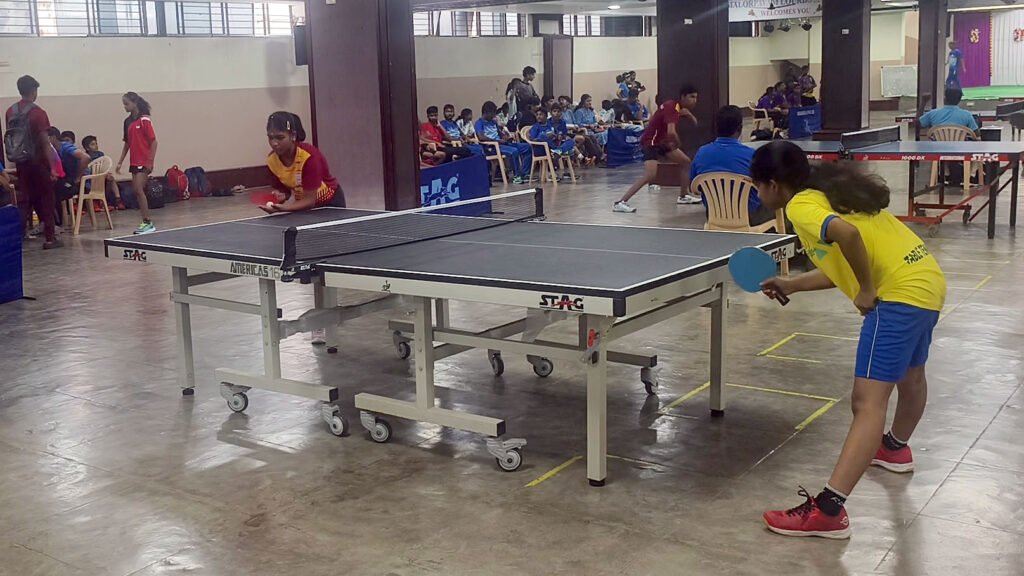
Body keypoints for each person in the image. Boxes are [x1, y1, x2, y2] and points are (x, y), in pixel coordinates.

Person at [752, 141, 946, 539]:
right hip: (925, 281)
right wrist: (792, 283)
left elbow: (849, 236)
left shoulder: (800, 206)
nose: (757, 194)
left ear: (772, 184)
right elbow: (843, 264)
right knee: (911, 377)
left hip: (896, 296)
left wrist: (868, 290)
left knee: (867, 403)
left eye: (756, 185)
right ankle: (894, 448)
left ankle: (828, 511)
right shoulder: (830, 192)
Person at [614, 84, 701, 213]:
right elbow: (671, 132)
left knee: (686, 162)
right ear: (683, 97)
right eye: (692, 97)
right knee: (650, 175)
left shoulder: (675, 106)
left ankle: (683, 196)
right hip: (651, 142)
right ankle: (620, 202)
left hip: (662, 141)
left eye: (696, 97)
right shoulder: (672, 107)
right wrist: (678, 143)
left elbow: (672, 116)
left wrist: (689, 116)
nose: (694, 100)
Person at [689, 106, 774, 226]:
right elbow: (766, 186)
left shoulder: (701, 153)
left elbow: (693, 187)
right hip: (750, 217)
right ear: (740, 128)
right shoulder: (753, 155)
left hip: (713, 215)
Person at [5, 75, 62, 249]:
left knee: (25, 200)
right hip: (38, 163)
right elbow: (45, 142)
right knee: (46, 198)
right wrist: (52, 167)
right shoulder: (39, 113)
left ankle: (17, 238)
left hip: (20, 162)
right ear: (34, 91)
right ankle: (50, 239)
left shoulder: (10, 111)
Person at [262, 111, 344, 214]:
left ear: (293, 136)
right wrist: (281, 195)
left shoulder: (309, 157)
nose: (274, 143)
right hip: (303, 206)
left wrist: (284, 208)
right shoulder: (272, 161)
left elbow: (309, 201)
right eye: (270, 137)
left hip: (330, 205)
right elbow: (285, 190)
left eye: (280, 137)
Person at [919, 87, 979, 187]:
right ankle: (970, 176)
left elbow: (918, 123)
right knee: (977, 147)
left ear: (945, 98)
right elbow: (977, 134)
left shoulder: (933, 113)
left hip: (939, 150)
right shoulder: (967, 115)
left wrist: (923, 103)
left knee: (942, 148)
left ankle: (946, 175)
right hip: (961, 150)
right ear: (959, 100)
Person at [116, 91, 157, 234]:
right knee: (137, 191)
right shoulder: (127, 122)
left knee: (139, 190)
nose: (125, 107)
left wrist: (150, 161)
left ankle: (148, 222)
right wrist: (120, 162)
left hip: (144, 160)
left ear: (134, 103)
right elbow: (127, 143)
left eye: (126, 104)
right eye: (123, 104)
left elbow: (153, 142)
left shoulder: (145, 120)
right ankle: (145, 221)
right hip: (134, 160)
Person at [476, 100, 531, 185]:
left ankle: (524, 173)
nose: (494, 115)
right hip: (492, 146)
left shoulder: (493, 122)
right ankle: (517, 176)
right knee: (514, 151)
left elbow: (499, 134)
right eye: (493, 113)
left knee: (527, 147)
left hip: (502, 144)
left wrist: (506, 137)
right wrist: (497, 141)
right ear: (486, 112)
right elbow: (481, 137)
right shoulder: (479, 123)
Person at [49, 127, 90, 226]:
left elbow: (86, 158)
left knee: (56, 193)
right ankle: (53, 223)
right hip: (68, 180)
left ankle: (57, 224)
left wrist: (78, 178)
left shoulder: (66, 147)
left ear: (53, 137)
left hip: (82, 183)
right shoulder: (53, 151)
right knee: (50, 190)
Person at [529, 107, 574, 181]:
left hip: (553, 145)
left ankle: (558, 151)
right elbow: (533, 140)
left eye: (541, 114)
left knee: (571, 141)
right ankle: (558, 151)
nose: (538, 116)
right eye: (537, 115)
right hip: (541, 148)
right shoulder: (535, 127)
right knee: (543, 135)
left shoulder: (550, 125)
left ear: (546, 116)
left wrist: (557, 136)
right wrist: (545, 136)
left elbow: (557, 135)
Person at [82, 135, 125, 209]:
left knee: (111, 178)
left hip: (101, 177)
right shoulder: (85, 157)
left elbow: (104, 166)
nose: (96, 146)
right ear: (87, 148)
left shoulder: (100, 154)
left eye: (96, 143)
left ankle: (118, 200)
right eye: (92, 144)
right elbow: (86, 172)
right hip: (91, 180)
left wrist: (106, 173)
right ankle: (97, 203)